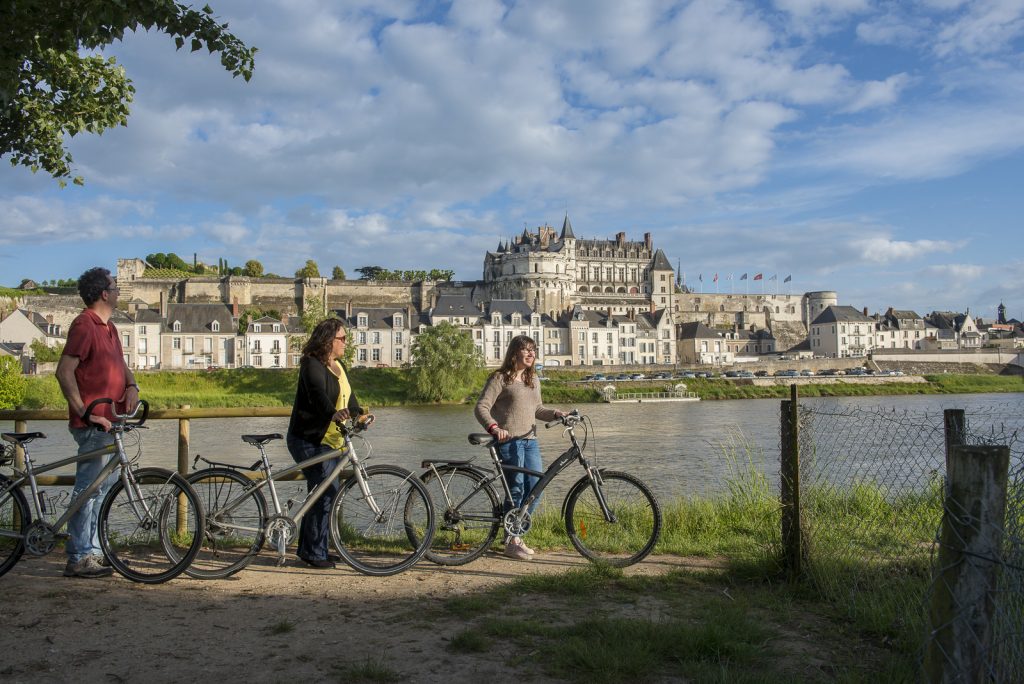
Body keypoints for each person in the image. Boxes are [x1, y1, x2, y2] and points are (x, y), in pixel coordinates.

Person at [55, 267, 139, 579]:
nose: (119, 291)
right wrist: (84, 411)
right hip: (93, 424)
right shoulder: (84, 325)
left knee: (99, 489)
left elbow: (122, 364)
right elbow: (64, 371)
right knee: (88, 489)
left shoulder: (110, 328)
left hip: (110, 422)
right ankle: (78, 556)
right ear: (104, 293)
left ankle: (93, 550)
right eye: (116, 287)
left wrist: (132, 386)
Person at [474, 334, 566, 561]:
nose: (531, 354)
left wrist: (555, 413)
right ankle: (512, 541)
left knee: (536, 488)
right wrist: (495, 428)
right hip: (508, 441)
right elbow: (481, 407)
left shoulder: (533, 380)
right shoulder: (500, 378)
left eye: (533, 350)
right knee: (515, 490)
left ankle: (515, 534)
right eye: (526, 350)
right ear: (514, 353)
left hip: (530, 441)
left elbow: (537, 409)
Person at [286, 318, 367, 569]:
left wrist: (359, 413)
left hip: (332, 440)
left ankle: (314, 549)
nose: (345, 343)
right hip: (309, 439)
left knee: (323, 492)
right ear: (328, 340)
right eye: (342, 338)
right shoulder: (311, 364)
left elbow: (349, 397)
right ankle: (313, 552)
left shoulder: (339, 366)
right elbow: (317, 395)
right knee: (325, 490)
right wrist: (332, 413)